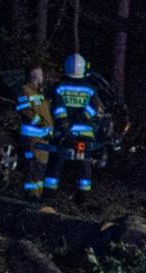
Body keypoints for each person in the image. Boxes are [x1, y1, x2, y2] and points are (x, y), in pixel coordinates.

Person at [46, 54, 103, 202]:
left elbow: (58, 110)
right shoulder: (90, 89)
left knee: (56, 161)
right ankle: (83, 196)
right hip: (84, 134)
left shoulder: (60, 87)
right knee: (84, 163)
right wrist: (83, 116)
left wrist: (65, 126)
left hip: (64, 135)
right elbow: (95, 108)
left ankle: (49, 195)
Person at [15, 66, 54, 200]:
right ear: (34, 76)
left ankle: (37, 195)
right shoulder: (24, 91)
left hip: (42, 139)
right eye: (41, 75)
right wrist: (40, 122)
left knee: (40, 168)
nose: (43, 77)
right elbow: (25, 110)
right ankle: (31, 197)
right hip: (32, 138)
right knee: (33, 167)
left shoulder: (39, 93)